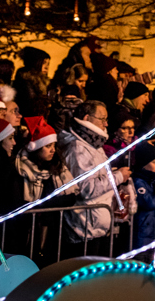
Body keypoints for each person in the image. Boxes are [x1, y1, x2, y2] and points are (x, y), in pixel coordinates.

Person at [57, 100, 131, 247]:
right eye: (102, 119)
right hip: (84, 228)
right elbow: (86, 188)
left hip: (97, 226)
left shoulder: (94, 145)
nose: (106, 124)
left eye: (106, 119)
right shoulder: (77, 149)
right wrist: (118, 176)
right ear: (86, 118)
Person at [15, 116, 78, 264]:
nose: (53, 150)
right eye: (48, 146)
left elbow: (71, 195)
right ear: (35, 147)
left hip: (53, 228)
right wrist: (49, 204)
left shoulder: (57, 167)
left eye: (54, 145)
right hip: (28, 230)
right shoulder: (23, 169)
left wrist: (45, 205)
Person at [132, 142, 155, 250]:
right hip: (141, 236)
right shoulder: (138, 182)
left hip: (151, 234)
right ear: (144, 163)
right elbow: (147, 202)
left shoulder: (150, 182)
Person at [14, 47, 51, 117]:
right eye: (43, 63)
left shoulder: (46, 82)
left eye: (48, 64)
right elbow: (31, 106)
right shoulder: (25, 81)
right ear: (35, 63)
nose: (47, 67)